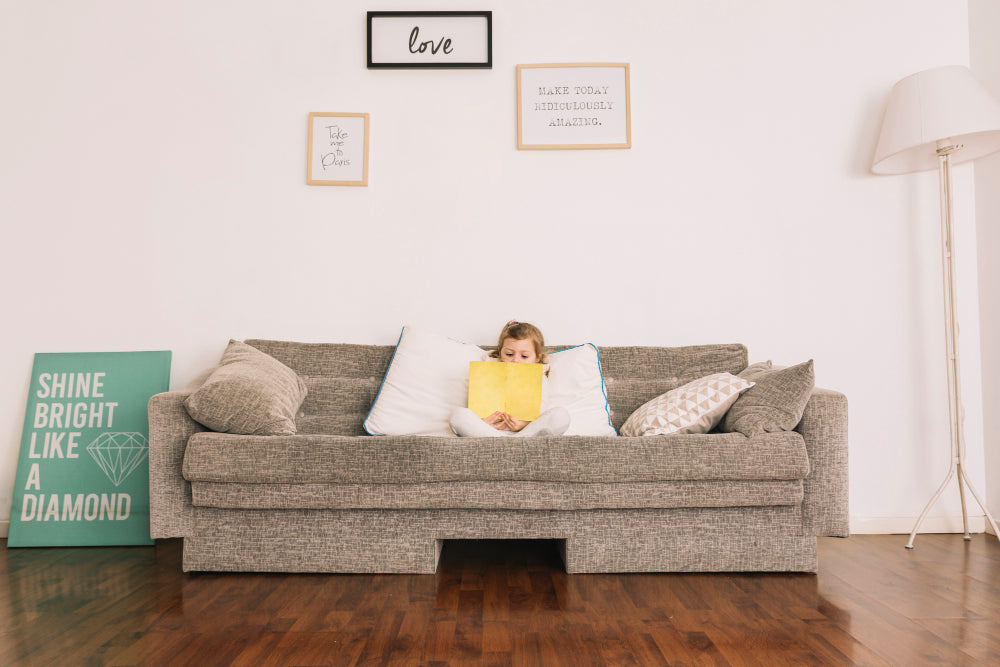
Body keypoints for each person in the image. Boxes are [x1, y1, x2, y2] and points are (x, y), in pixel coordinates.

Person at [449, 321, 571, 437]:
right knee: (458, 415)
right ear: (500, 352)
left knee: (561, 416)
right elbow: (476, 405)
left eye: (524, 356)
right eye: (509, 354)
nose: (516, 360)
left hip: (527, 432)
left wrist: (522, 425)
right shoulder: (486, 371)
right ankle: (509, 445)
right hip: (486, 431)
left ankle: (511, 443)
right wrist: (483, 422)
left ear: (537, 358)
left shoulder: (540, 378)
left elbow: (541, 412)